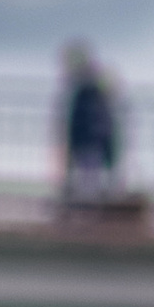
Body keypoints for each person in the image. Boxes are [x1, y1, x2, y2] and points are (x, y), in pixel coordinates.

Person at [56, 41, 120, 208]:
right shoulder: (88, 85)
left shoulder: (87, 87)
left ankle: (89, 209)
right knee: (88, 177)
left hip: (90, 137)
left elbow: (89, 115)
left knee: (88, 177)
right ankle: (89, 208)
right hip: (91, 137)